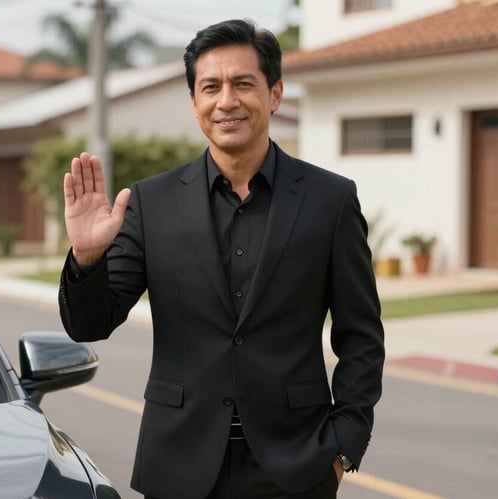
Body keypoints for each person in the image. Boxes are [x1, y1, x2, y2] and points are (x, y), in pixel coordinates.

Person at [58, 18, 385, 499]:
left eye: (243, 84)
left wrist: (342, 448)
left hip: (295, 470)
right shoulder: (152, 202)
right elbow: (91, 325)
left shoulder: (328, 200)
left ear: (275, 94)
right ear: (194, 102)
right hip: (179, 467)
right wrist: (87, 258)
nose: (226, 100)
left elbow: (362, 336)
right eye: (210, 87)